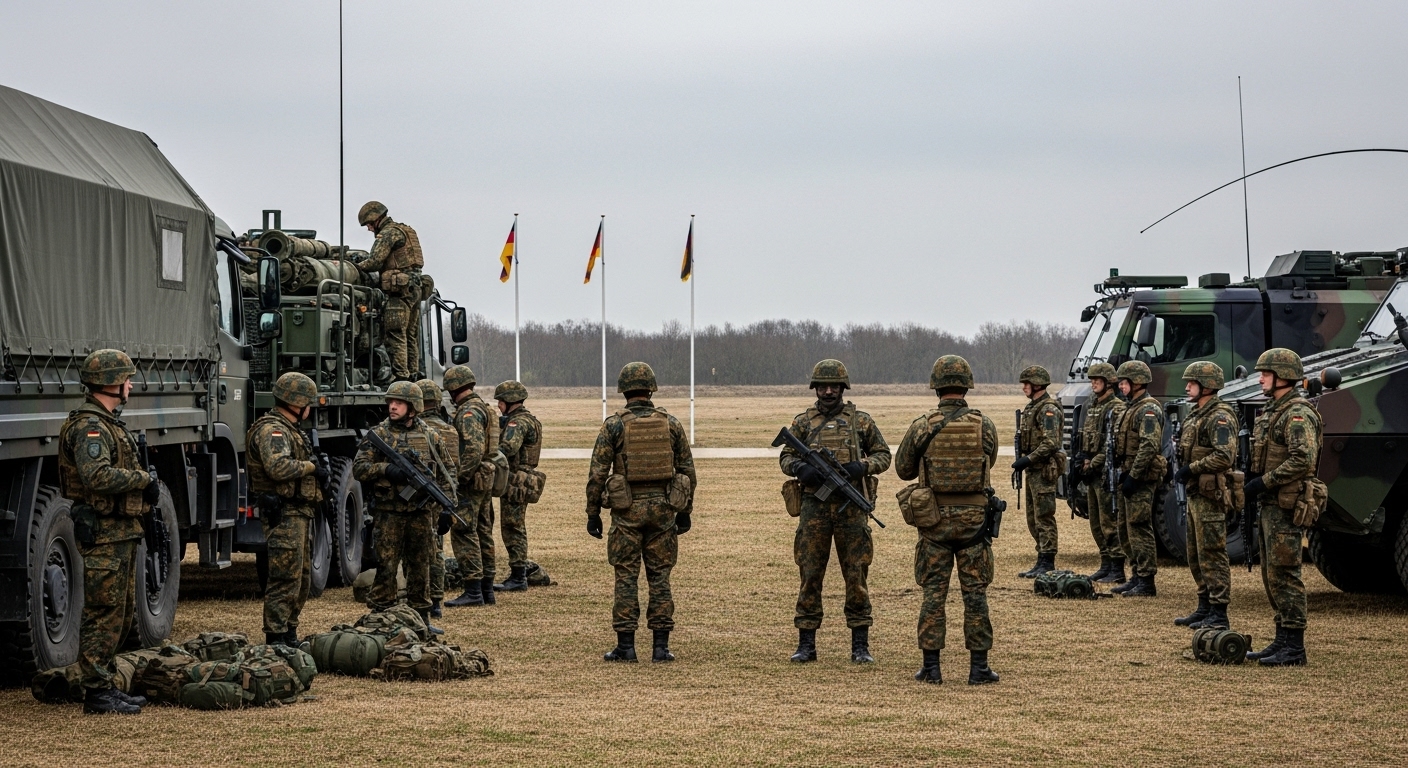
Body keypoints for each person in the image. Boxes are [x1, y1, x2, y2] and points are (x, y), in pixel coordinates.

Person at [57, 350, 160, 714]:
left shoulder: (108, 423)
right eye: (127, 379)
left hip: (120, 530)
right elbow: (96, 476)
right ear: (112, 383)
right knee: (103, 612)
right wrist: (143, 479)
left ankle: (105, 684)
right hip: (104, 531)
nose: (130, 385)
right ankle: (97, 693)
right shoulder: (92, 427)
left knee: (120, 612)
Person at [894, 355, 1000, 685]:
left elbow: (903, 469)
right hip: (973, 523)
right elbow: (990, 461)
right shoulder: (984, 425)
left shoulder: (923, 425)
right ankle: (979, 669)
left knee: (933, 595)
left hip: (934, 522)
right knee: (975, 595)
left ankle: (931, 668)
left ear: (936, 388)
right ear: (966, 387)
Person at [779, 359, 891, 664]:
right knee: (810, 572)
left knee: (856, 574)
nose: (828, 392)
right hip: (814, 508)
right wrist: (800, 468)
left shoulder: (861, 422)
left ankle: (860, 645)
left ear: (843, 388)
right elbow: (785, 456)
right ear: (815, 388)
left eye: (834, 386)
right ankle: (806, 644)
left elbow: (883, 455)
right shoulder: (803, 423)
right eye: (823, 386)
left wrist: (861, 466)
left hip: (851, 509)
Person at [585, 363, 696, 662]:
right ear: (651, 389)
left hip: (627, 512)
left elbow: (597, 473)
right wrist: (685, 510)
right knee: (660, 577)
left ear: (624, 391)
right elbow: (687, 470)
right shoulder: (671, 424)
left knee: (626, 576)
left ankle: (626, 646)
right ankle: (661, 648)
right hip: (663, 511)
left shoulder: (614, 425)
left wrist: (593, 513)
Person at [353, 381, 455, 634]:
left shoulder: (430, 436)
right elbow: (359, 468)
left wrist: (447, 509)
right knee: (386, 567)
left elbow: (447, 473)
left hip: (420, 514)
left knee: (421, 566)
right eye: (391, 402)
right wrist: (386, 469)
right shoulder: (379, 435)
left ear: (413, 407)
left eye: (399, 403)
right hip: (388, 513)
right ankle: (381, 618)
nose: (392, 406)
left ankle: (422, 619)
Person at [1243, 349, 1321, 666]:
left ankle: (1294, 647)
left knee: (1285, 573)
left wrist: (1264, 482)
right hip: (1271, 504)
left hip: (1285, 503)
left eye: (1266, 373)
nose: (1260, 378)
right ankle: (1281, 639)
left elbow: (1303, 459)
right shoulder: (1274, 411)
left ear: (1283, 376)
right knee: (1271, 573)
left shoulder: (1296, 413)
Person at [246, 372, 326, 646]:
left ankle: (289, 632)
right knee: (285, 577)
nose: (310, 408)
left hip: (298, 512)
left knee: (300, 578)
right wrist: (312, 467)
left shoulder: (289, 428)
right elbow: (277, 467)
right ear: (297, 403)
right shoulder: (273, 430)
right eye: (308, 403)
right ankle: (276, 637)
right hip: (284, 513)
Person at [1172, 361, 1239, 630]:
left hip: (1210, 495)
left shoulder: (1219, 416)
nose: (1187, 386)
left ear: (1208, 386)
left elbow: (1224, 456)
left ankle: (1219, 612)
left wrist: (1192, 468)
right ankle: (1204, 605)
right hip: (1195, 493)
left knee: (1212, 552)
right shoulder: (1196, 414)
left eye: (1193, 382)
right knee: (1195, 553)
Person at [442, 365, 499, 607]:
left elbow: (473, 449)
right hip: (484, 478)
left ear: (453, 388)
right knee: (483, 531)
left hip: (472, 481)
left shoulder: (468, 412)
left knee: (464, 531)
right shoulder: (482, 407)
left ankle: (474, 591)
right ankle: (487, 589)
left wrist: (459, 478)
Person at [1111, 360, 1163, 597]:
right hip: (1128, 475)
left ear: (1138, 382)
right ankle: (1136, 574)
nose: (1121, 387)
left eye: (1125, 382)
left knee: (1139, 526)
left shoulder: (1148, 409)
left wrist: (1133, 475)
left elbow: (1149, 446)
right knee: (1126, 528)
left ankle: (1146, 579)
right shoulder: (1131, 407)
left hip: (1140, 478)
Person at [357, 200, 425, 381]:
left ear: (376, 219)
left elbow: (374, 261)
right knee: (410, 335)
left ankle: (401, 377)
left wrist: (356, 266)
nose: (369, 229)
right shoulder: (406, 230)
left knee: (395, 334)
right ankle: (413, 374)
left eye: (369, 224)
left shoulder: (388, 233)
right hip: (415, 288)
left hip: (399, 292)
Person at [1075, 362, 1127, 583]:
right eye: (1092, 380)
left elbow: (1112, 444)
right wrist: (1082, 461)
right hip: (1092, 474)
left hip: (1106, 474)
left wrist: (1093, 463)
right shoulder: (1093, 406)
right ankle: (1105, 563)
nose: (1093, 383)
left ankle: (1117, 568)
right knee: (1096, 524)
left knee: (1109, 523)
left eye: (1097, 380)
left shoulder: (1116, 408)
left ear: (1109, 383)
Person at [1013, 365, 1066, 578]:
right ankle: (1041, 558)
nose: (1024, 387)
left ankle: (1047, 560)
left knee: (1044, 516)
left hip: (1043, 470)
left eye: (1027, 383)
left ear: (1037, 385)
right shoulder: (1032, 407)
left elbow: (1051, 442)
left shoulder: (1047, 409)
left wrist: (1029, 458)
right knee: (1033, 518)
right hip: (1033, 470)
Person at [492, 381, 543, 593]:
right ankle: (518, 574)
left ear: (510, 401)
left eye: (500, 401)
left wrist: (487, 450)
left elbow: (508, 448)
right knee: (514, 525)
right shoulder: (528, 419)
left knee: (512, 526)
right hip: (521, 478)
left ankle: (518, 577)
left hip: (516, 480)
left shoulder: (517, 423)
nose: (498, 406)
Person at [416, 378, 458, 619]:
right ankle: (435, 601)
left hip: (421, 497)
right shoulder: (449, 430)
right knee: (436, 549)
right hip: (440, 496)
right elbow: (453, 469)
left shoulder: (419, 430)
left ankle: (418, 598)